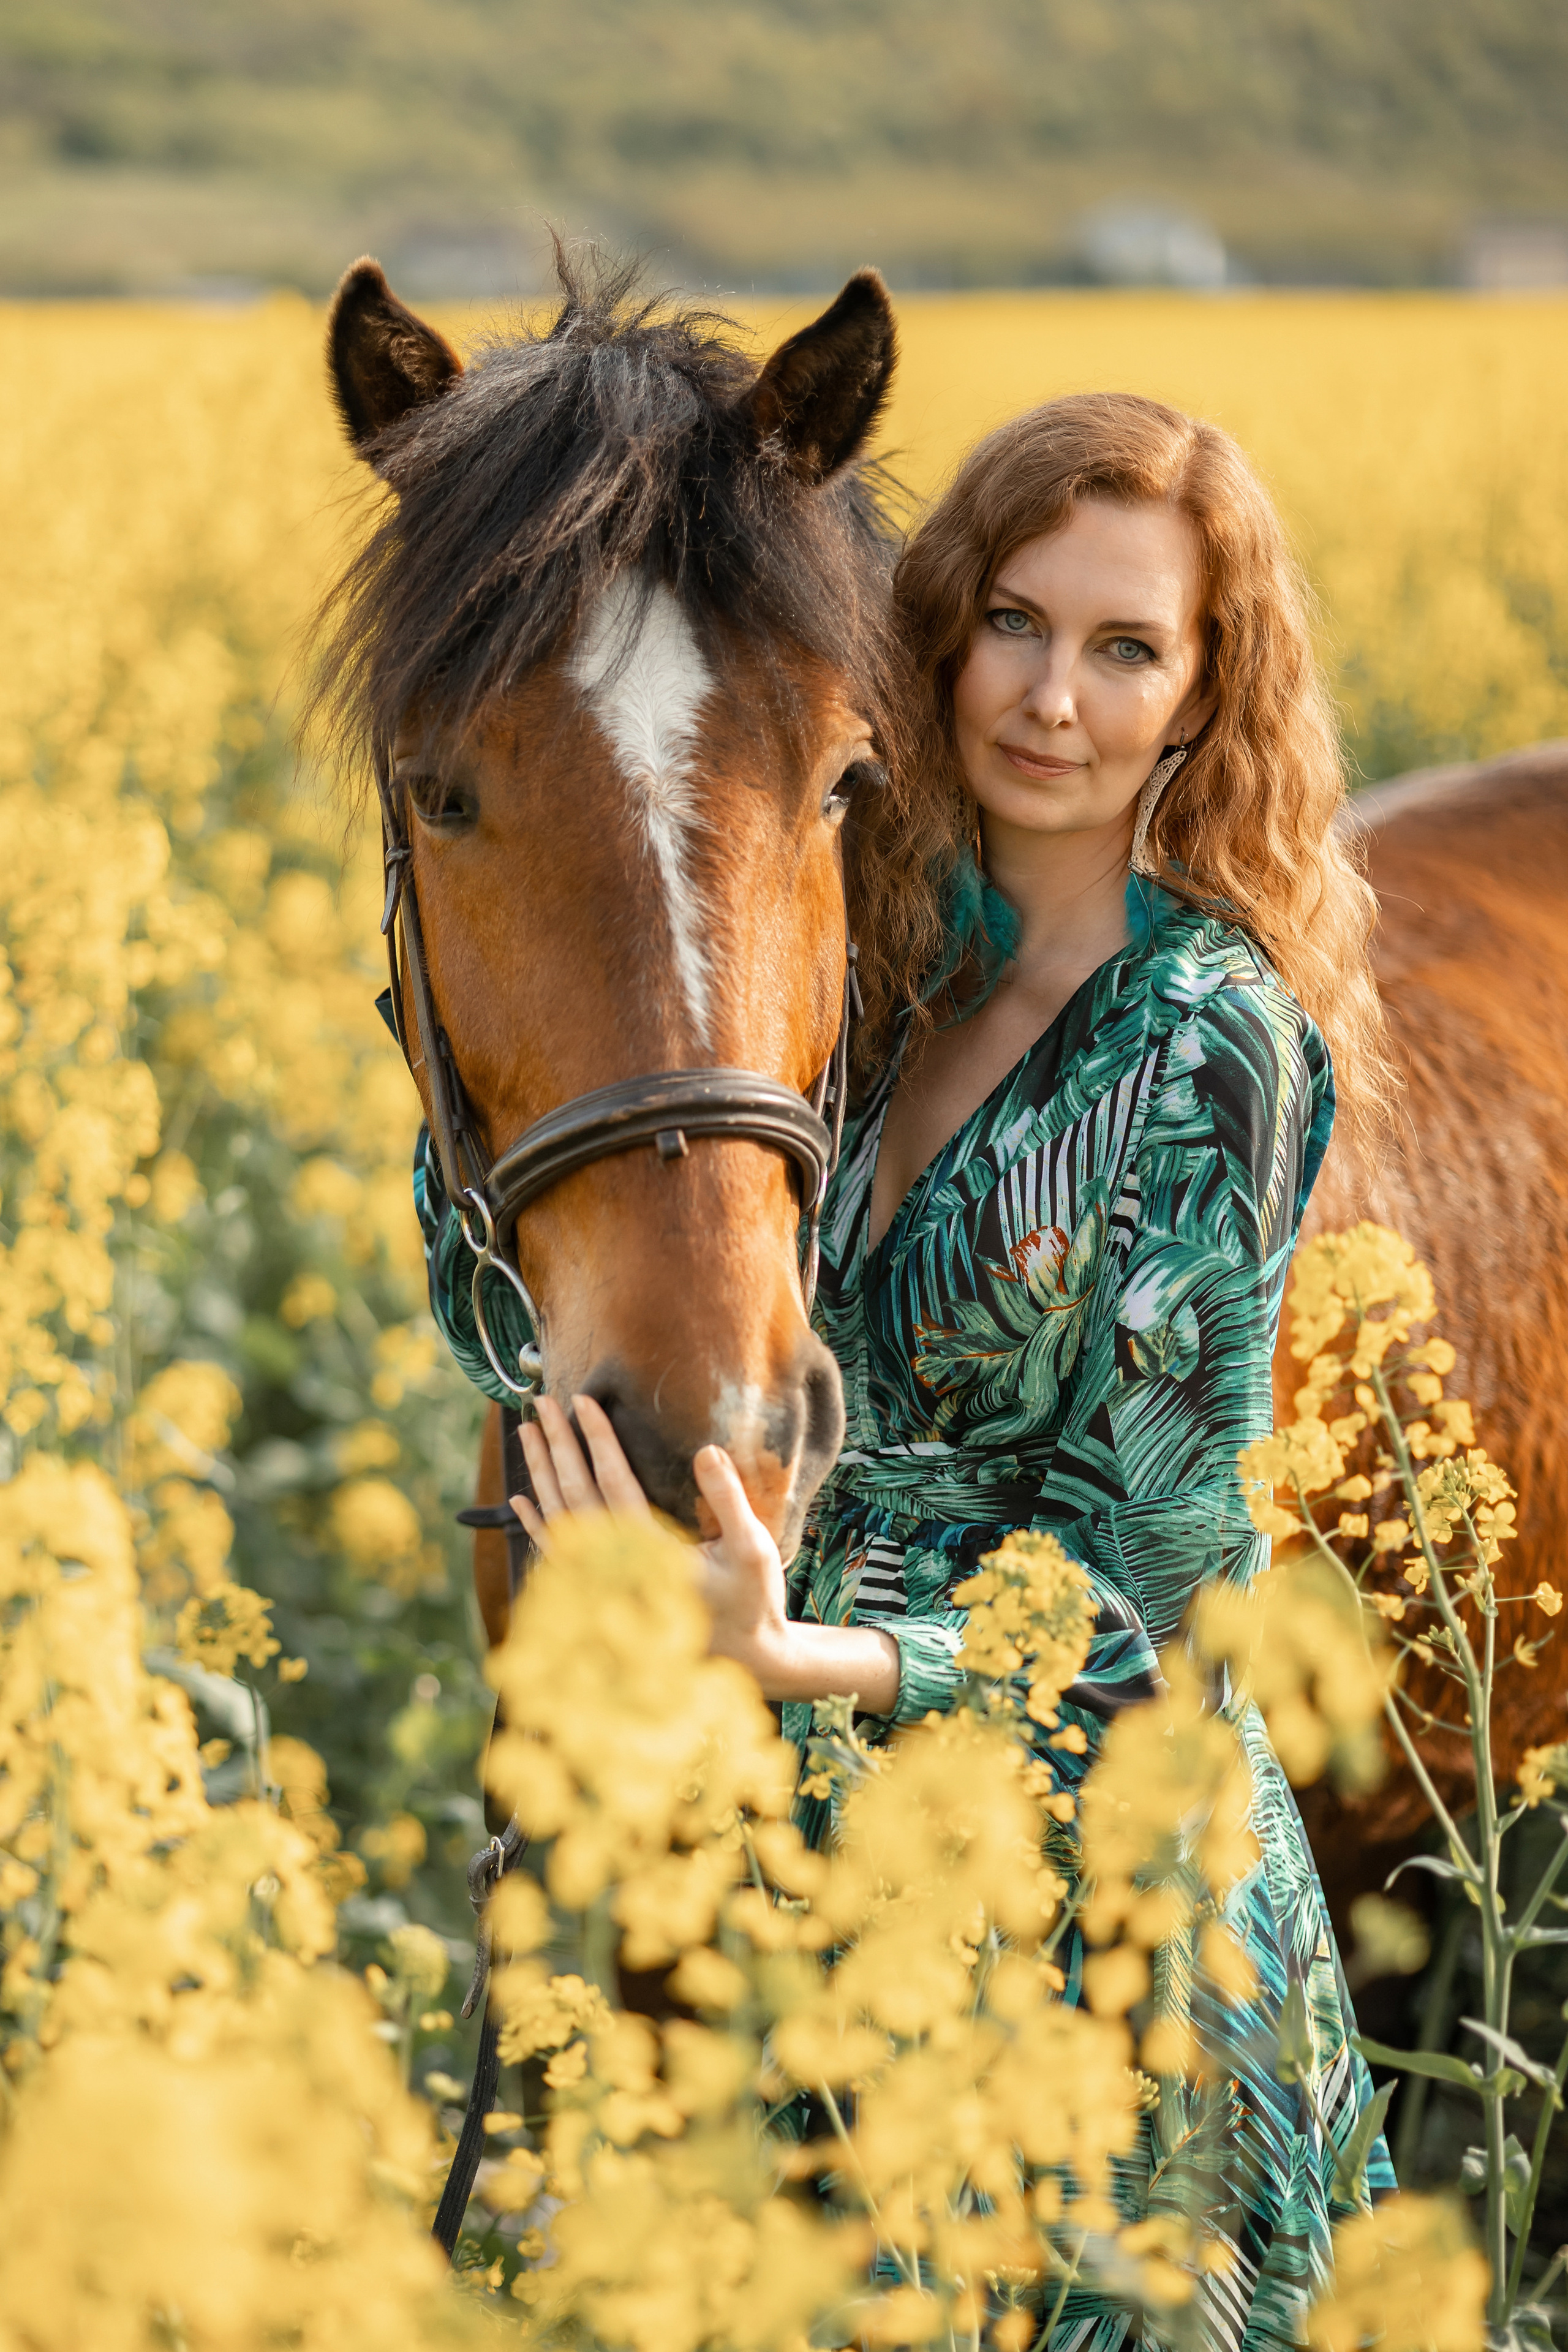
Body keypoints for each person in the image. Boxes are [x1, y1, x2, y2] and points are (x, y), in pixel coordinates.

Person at [483, 392, 1400, 2346]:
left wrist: (794, 1651)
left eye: (1125, 647)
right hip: (819, 1886)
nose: (1052, 695)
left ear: (1202, 701)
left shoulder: (1210, 1042)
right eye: (1014, 621)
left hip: (1094, 1928)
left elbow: (1160, 1585)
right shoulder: (869, 977)